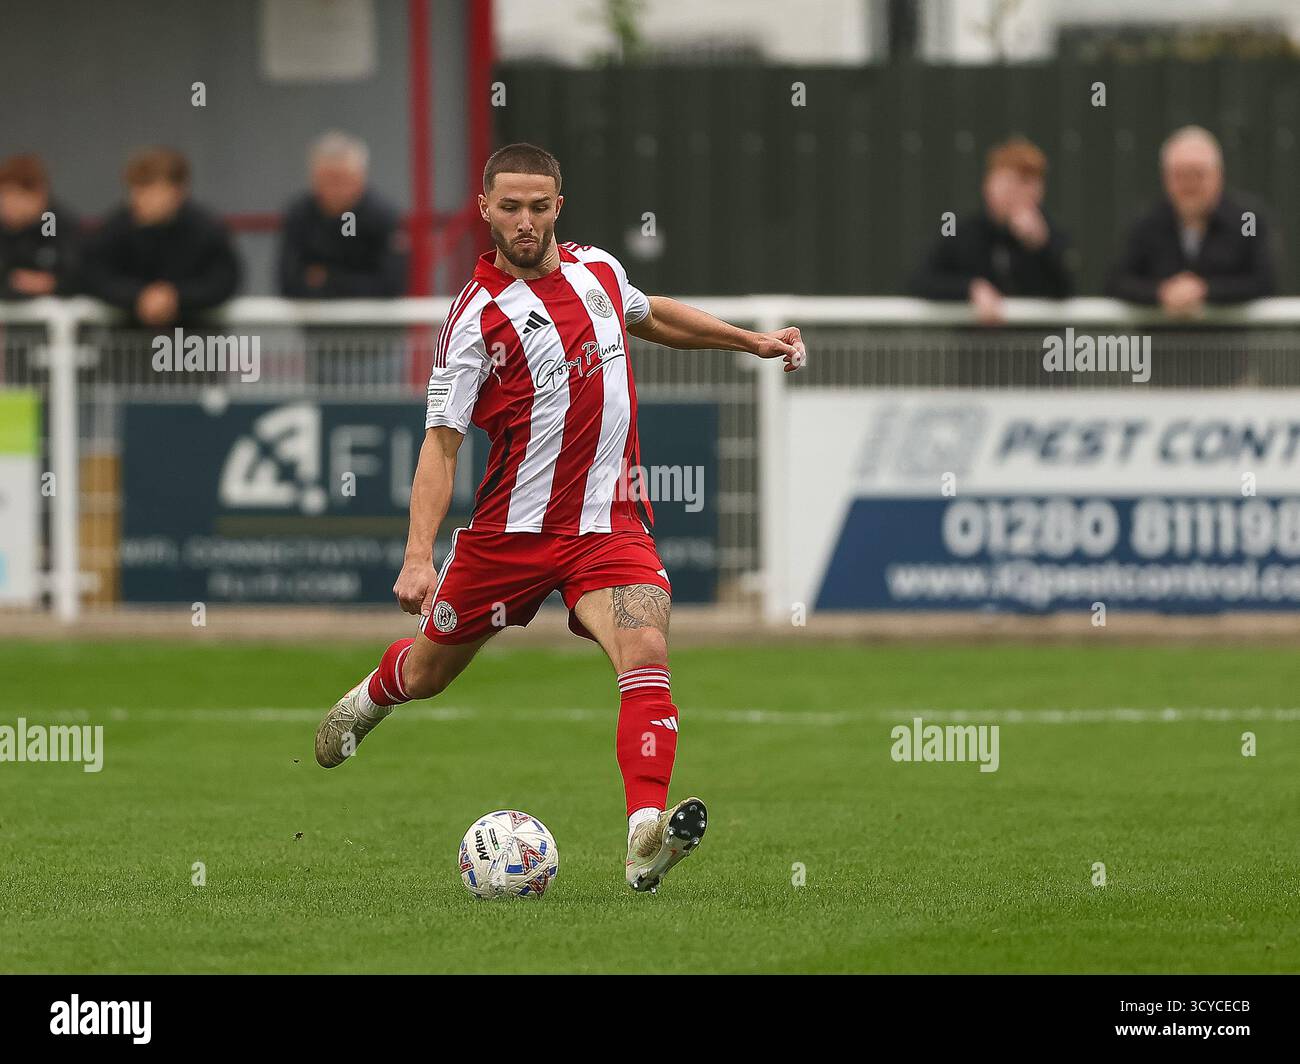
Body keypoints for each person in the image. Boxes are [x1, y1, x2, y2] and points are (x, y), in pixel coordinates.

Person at [314, 142, 806, 893]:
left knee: (644, 645)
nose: (523, 221)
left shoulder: (598, 270)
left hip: (610, 527)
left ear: (558, 208)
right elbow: (441, 447)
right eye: (508, 207)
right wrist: (419, 555)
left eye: (538, 207)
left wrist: (750, 341)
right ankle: (368, 700)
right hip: (507, 537)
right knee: (429, 671)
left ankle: (644, 832)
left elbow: (652, 315)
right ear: (484, 208)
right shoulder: (474, 319)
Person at [1107, 125, 1275, 315]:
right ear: (1165, 177)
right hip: (1163, 343)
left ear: (1218, 175)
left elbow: (1265, 281)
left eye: (1197, 174)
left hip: (1227, 343)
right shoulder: (1146, 223)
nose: (1189, 184)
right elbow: (1117, 282)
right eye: (1180, 175)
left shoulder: (1247, 219)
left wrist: (1204, 290)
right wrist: (1162, 293)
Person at [910, 137, 1072, 324]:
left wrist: (1041, 246)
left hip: (1038, 349)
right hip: (981, 350)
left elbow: (1066, 288)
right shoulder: (962, 231)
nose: (1019, 193)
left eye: (1029, 184)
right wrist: (971, 288)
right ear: (989, 184)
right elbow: (920, 279)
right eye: (1011, 183)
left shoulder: (1052, 233)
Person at [81, 147, 239, 327]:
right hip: (130, 344)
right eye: (135, 189)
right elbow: (94, 274)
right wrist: (139, 296)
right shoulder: (115, 228)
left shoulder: (207, 229)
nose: (139, 199)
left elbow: (224, 280)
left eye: (150, 190)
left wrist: (175, 297)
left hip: (194, 344)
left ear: (178, 191)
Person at [277, 131, 407, 298]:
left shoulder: (381, 216)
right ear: (313, 179)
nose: (336, 189)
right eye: (328, 179)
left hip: (372, 323)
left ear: (360, 177)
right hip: (318, 322)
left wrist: (328, 279)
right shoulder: (299, 215)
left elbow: (391, 285)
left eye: (343, 179)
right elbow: (288, 282)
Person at [0, 154, 80, 300]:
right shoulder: (6, 230)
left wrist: (53, 283)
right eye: (3, 196)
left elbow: (77, 272)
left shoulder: (55, 223)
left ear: (39, 194)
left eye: (14, 195)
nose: (7, 205)